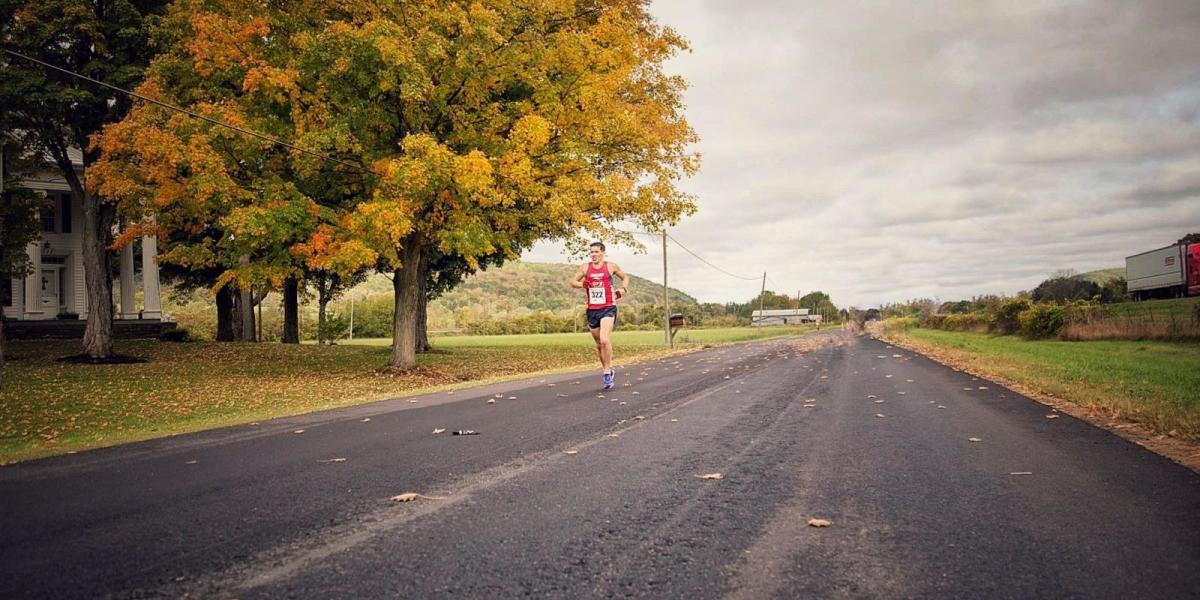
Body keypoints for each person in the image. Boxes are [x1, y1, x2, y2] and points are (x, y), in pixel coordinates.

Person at [570, 242, 630, 390]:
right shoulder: (585, 267)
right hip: (592, 310)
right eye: (591, 252)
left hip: (608, 307)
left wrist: (623, 289)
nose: (593, 254)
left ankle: (607, 372)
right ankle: (607, 370)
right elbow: (572, 282)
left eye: (596, 252)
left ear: (602, 252)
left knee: (604, 339)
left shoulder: (611, 266)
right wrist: (583, 285)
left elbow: (625, 277)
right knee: (598, 344)